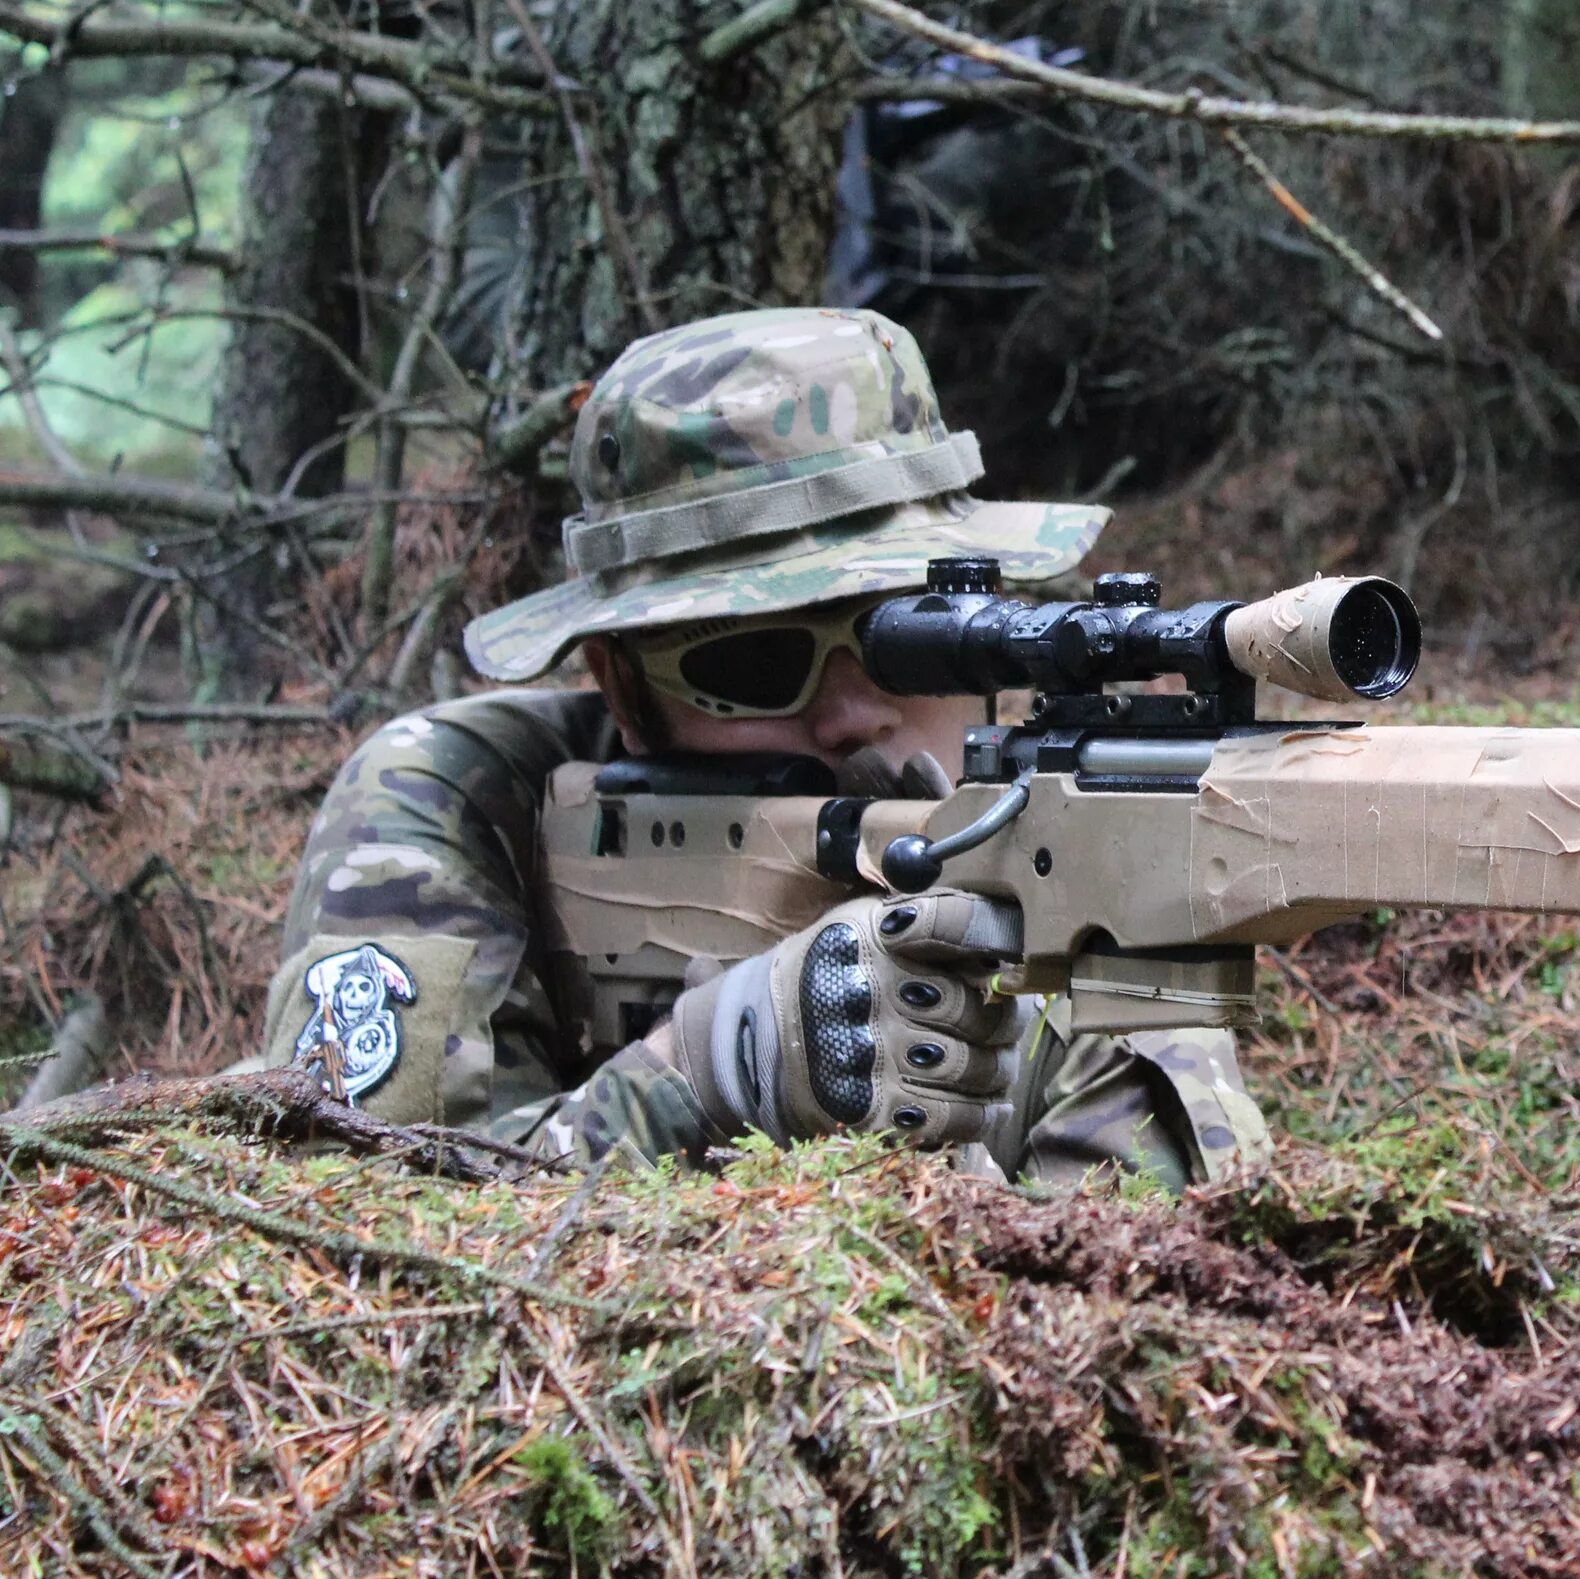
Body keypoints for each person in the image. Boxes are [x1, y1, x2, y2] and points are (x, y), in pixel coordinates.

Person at [254, 307, 1269, 1182]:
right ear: (622, 682)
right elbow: (357, 1223)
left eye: (911, 644)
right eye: (757, 665)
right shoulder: (463, 796)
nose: (852, 716)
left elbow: (1138, 1318)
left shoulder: (1075, 854)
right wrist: (706, 1074)